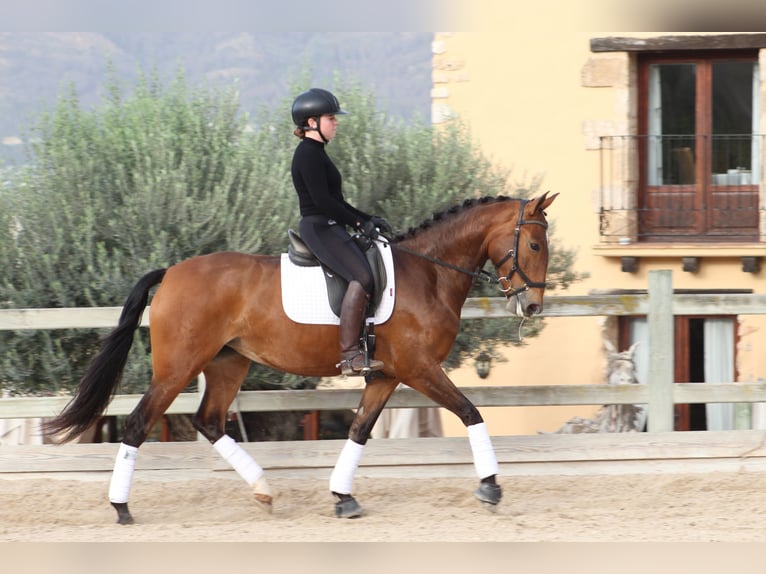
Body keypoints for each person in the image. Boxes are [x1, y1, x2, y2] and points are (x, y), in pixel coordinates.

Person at [290, 87, 392, 376]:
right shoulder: (308, 155)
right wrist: (359, 223)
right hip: (318, 227)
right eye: (330, 118)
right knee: (361, 276)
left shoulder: (317, 153)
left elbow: (336, 202)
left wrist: (367, 218)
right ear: (312, 122)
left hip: (329, 224)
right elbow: (322, 202)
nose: (336, 123)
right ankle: (349, 355)